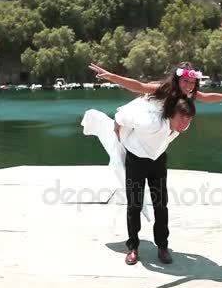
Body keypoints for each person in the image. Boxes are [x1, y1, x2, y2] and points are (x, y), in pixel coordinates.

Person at [81, 95, 196, 265]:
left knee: (161, 204)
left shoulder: (181, 125)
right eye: (182, 119)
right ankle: (133, 247)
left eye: (189, 121)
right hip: (136, 159)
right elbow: (121, 117)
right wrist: (117, 130)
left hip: (157, 159)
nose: (184, 125)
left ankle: (162, 246)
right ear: (171, 114)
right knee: (134, 204)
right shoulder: (150, 121)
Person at [89, 62, 222, 103]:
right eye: (186, 81)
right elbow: (138, 86)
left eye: (193, 82)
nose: (189, 86)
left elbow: (206, 97)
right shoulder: (165, 88)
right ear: (177, 80)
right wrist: (112, 76)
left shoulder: (190, 92)